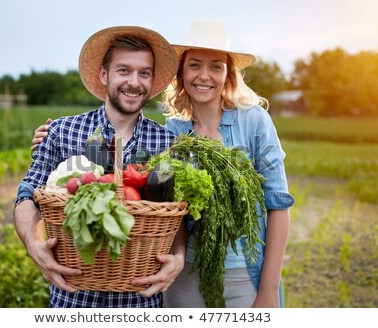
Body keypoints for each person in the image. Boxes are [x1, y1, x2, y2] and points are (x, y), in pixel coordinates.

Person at [31, 20, 295, 308]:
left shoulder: (254, 121)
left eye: (216, 66)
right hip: (184, 274)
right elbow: (146, 191)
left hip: (245, 271)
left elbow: (278, 203)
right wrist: (51, 136)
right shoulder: (172, 133)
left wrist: (268, 289)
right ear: (181, 72)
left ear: (227, 74)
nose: (204, 75)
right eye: (195, 65)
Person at [14, 25, 188, 308]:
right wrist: (34, 246)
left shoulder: (168, 143)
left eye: (144, 72)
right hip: (73, 299)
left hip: (139, 302)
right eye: (123, 70)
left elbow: (178, 216)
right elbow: (26, 195)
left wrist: (178, 257)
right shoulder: (60, 131)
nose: (134, 82)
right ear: (104, 74)